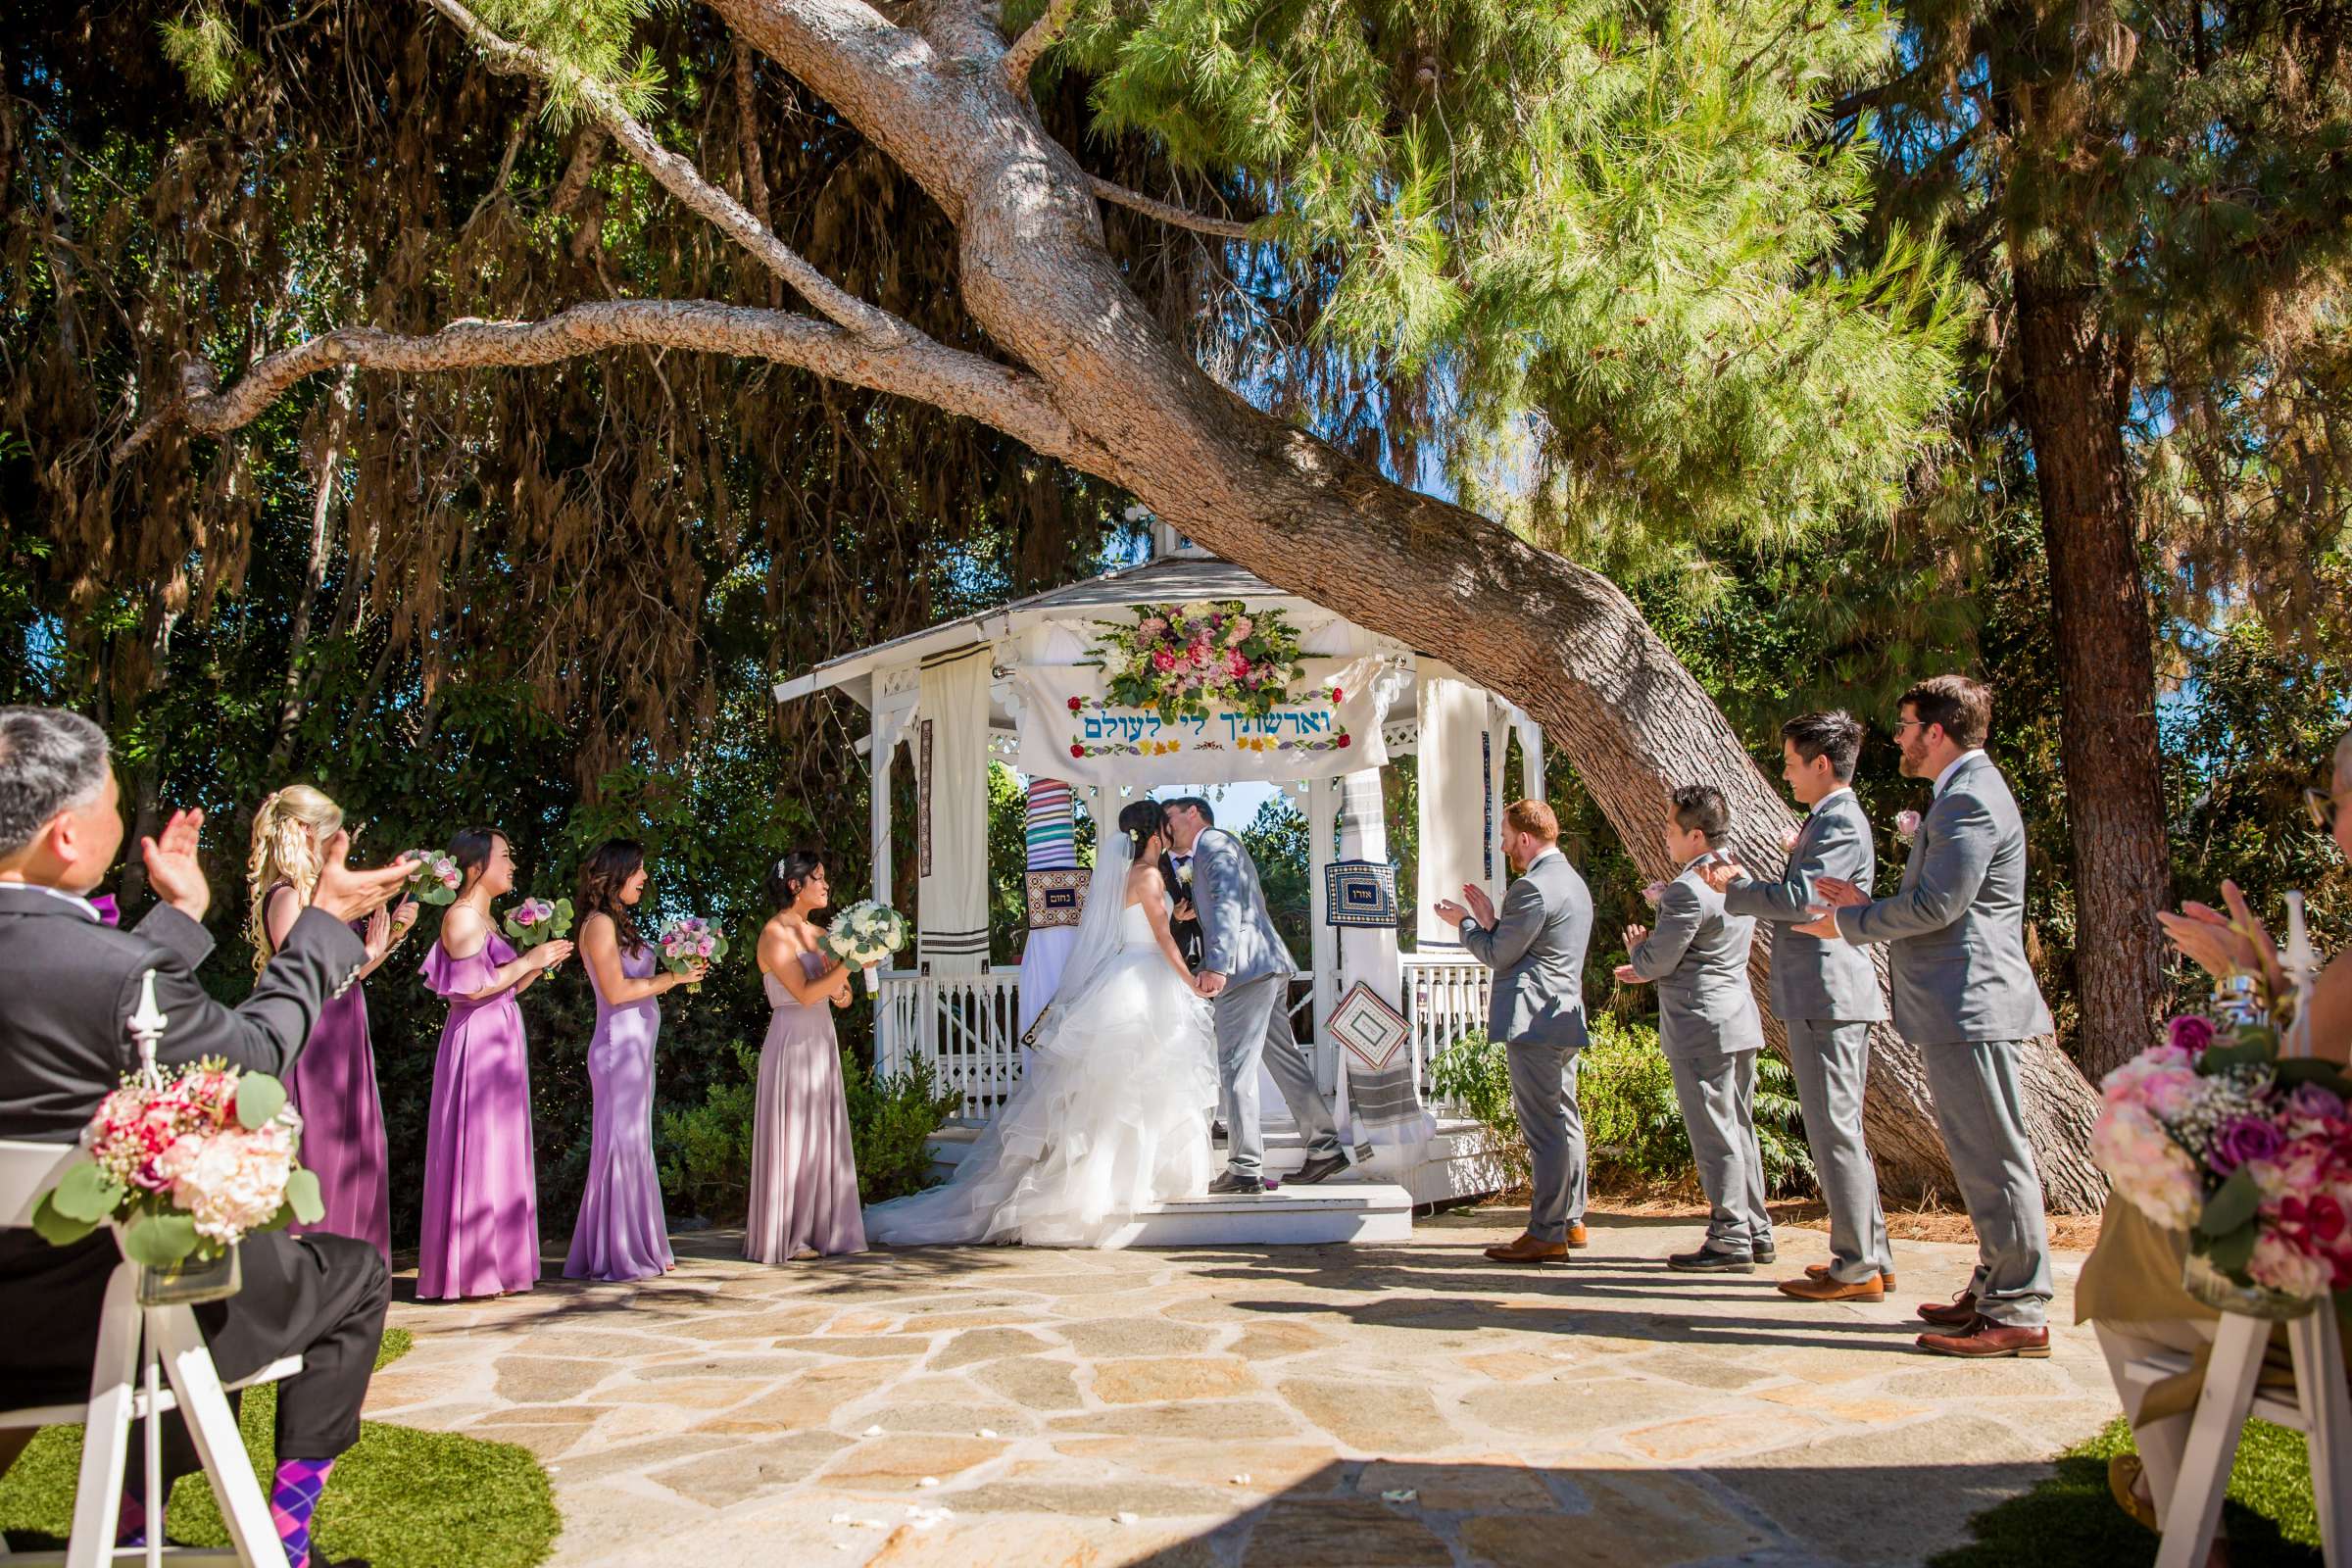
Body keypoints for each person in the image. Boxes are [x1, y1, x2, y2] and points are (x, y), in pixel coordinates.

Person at [0, 706, 410, 1568]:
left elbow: (93, 1006)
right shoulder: (115, 969)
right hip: (89, 1321)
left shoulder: (115, 964)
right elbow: (253, 1059)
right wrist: (322, 926)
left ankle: (135, 1509)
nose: (128, 818)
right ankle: (288, 1533)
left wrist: (178, 922)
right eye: (117, 801)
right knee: (347, 1274)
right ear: (69, 836)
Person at [2082, 726, 2352, 1558]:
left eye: (2337, 805)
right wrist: (2263, 980)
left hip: (2329, 1305)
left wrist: (2241, 984)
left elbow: (2270, 1081)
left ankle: (2182, 1510)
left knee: (2123, 1263)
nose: (2334, 830)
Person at [1797, 673, 2056, 1357]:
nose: (1901, 738)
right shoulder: (1961, 794)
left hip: (1971, 1001)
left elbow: (1940, 907)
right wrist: (1860, 903)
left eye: (1908, 725)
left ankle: (2021, 1308)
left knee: (1995, 1155)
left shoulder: (1970, 798)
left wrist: (1850, 920)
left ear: (1937, 732)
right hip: (1957, 1002)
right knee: (1979, 1154)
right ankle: (1995, 1284)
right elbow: (1941, 897)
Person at [864, 801, 1219, 1246]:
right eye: (1166, 827)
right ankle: (1130, 1183)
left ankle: (1127, 1180)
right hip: (1147, 978)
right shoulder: (1149, 877)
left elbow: (1145, 924)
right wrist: (1190, 981)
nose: (1170, 833)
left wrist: (1174, 915)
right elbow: (1163, 940)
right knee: (1141, 1087)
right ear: (1154, 835)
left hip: (1127, 975)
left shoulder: (1129, 878)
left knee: (1123, 1090)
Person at [1700, 711, 1896, 1300]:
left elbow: (1800, 900)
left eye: (1790, 763)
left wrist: (1733, 888)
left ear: (1821, 764)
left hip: (1826, 992)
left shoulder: (1837, 821)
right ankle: (1872, 1255)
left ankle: (1856, 1266)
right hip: (1825, 992)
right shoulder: (1826, 821)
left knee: (1834, 1131)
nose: (1784, 774)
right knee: (1841, 1131)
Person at [248, 784, 418, 1260]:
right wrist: (367, 952)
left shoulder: (319, 897)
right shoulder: (285, 897)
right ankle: (315, 1268)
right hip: (315, 1037)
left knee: (357, 1143)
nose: (338, 843)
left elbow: (351, 973)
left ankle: (354, 1267)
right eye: (329, 833)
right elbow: (308, 976)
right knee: (321, 1149)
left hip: (345, 1024)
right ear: (304, 832)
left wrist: (389, 936)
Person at [1618, 784, 1775, 1273]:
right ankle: (1757, 1228)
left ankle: (1729, 1236)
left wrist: (1638, 952)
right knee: (1740, 1127)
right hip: (1738, 1017)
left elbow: (1662, 959)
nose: (1665, 836)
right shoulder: (1737, 876)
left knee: (1715, 1133)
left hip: (1701, 1023)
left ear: (1696, 836)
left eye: (1670, 828)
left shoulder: (1690, 887)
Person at [1436, 798, 1594, 1263]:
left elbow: (1500, 956)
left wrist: (1464, 926)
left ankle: (1547, 1231)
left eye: (1505, 836)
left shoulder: (1532, 887)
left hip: (1533, 1020)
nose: (1503, 843)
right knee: (1565, 1120)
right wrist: (1491, 922)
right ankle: (1572, 1219)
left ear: (1525, 838)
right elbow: (1528, 945)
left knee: (1544, 1130)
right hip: (1563, 1016)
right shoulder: (1572, 883)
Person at [416, 826, 571, 1300]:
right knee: (478, 1142)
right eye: (504, 856)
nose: (512, 865)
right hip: (477, 1039)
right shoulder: (461, 918)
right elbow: (469, 988)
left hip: (502, 1031)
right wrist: (529, 961)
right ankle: (471, 1269)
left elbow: (502, 984)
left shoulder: (490, 922)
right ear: (475, 866)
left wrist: (538, 964)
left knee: (501, 1144)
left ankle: (499, 1265)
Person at [1167, 795, 1348, 1195]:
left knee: (1235, 1066)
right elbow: (1233, 902)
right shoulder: (1218, 848)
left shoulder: (1211, 844)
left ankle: (1245, 1167)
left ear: (1193, 813)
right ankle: (1324, 1147)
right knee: (1284, 1061)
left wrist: (1217, 964)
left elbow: (1230, 905)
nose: (1167, 829)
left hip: (1245, 971)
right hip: (1264, 963)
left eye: (1171, 818)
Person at [565, 839, 705, 1283]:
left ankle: (640, 1243)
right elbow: (616, 991)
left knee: (633, 1144)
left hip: (635, 1047)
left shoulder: (618, 922)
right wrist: (672, 977)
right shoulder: (599, 925)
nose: (645, 878)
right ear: (619, 873)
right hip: (617, 1046)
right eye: (639, 870)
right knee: (621, 1145)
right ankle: (621, 1251)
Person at [745, 851, 866, 1261]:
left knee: (821, 1135)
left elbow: (841, 998)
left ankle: (825, 1228)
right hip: (792, 1040)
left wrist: (843, 982)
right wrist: (848, 967)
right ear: (794, 886)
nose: (825, 885)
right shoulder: (774, 934)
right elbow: (804, 992)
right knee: (795, 1134)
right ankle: (790, 1234)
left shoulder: (820, 935)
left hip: (822, 1038)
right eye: (817, 878)